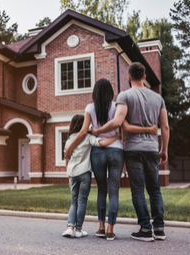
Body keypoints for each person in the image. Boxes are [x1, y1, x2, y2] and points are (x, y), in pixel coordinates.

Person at [64, 78, 157, 241]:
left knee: (101, 189)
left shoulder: (90, 108)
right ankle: (110, 230)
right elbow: (124, 128)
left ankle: (100, 227)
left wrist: (70, 147)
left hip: (98, 152)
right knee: (114, 191)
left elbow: (83, 132)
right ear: (110, 92)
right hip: (116, 151)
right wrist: (118, 136)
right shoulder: (117, 106)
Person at [92, 62, 170, 242]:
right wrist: (164, 148)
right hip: (151, 149)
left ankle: (145, 229)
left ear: (129, 77)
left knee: (137, 190)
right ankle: (159, 228)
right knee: (155, 189)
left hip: (133, 149)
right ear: (144, 77)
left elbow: (118, 121)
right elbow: (165, 126)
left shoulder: (125, 95)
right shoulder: (158, 98)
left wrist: (98, 130)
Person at [62, 114, 121, 238]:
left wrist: (68, 176)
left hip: (72, 174)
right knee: (82, 200)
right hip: (84, 174)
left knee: (74, 201)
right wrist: (117, 137)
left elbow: (66, 160)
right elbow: (103, 143)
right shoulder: (88, 138)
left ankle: (69, 227)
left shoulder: (68, 141)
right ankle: (78, 230)